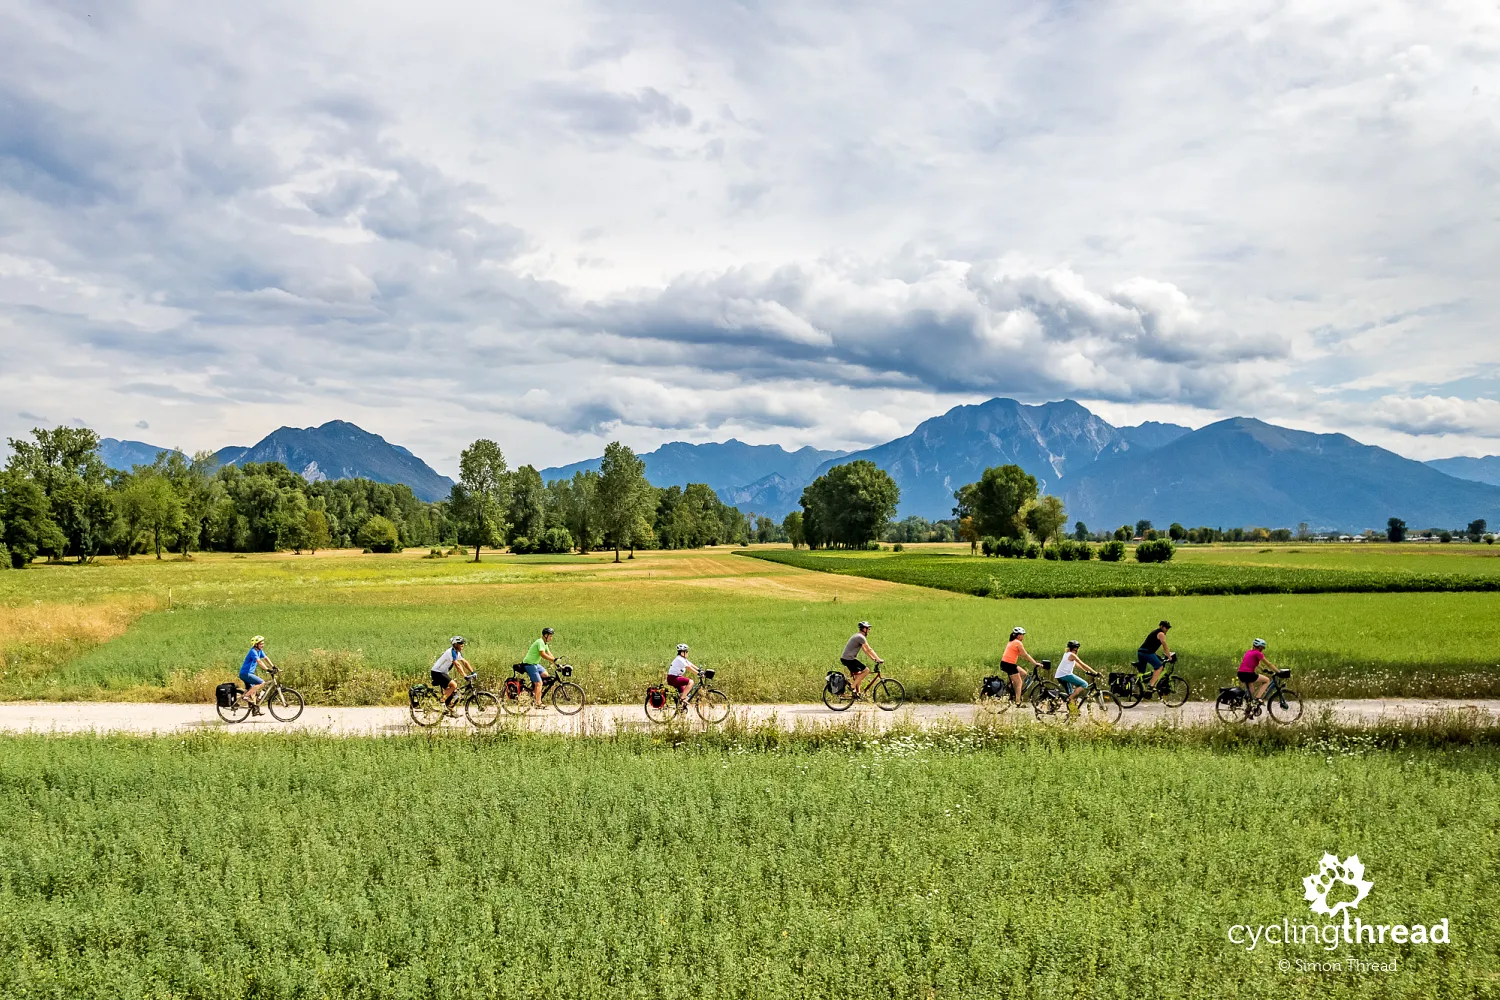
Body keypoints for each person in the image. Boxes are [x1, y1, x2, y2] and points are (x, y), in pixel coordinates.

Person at [431, 636, 475, 716]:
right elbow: (457, 665)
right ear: (455, 644)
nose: (462, 645)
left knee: (454, 693)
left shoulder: (457, 652)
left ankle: (451, 709)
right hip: (437, 672)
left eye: (463, 643)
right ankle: (442, 701)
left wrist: (473, 672)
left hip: (442, 673)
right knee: (454, 685)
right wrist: (465, 676)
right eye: (460, 643)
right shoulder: (451, 652)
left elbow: (464, 662)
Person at [1054, 639, 1101, 709]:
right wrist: (1095, 672)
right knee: (1084, 684)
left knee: (1072, 693)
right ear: (1076, 648)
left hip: (1061, 676)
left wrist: (1085, 671)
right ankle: (1068, 700)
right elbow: (1082, 664)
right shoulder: (1073, 655)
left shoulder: (1066, 654)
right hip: (1065, 676)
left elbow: (1076, 664)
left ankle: (1073, 712)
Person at [840, 621, 883, 697]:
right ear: (864, 629)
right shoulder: (860, 637)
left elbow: (865, 650)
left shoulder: (858, 636)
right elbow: (869, 649)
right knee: (866, 670)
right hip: (849, 659)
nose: (869, 630)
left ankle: (857, 693)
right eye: (868, 629)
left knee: (858, 674)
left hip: (847, 658)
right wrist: (878, 659)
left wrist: (874, 659)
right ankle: (852, 686)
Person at [520, 627, 557, 709]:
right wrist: (552, 660)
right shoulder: (540, 642)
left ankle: (534, 691)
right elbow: (543, 654)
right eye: (550, 636)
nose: (551, 638)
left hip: (535, 664)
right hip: (529, 664)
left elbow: (549, 653)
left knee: (545, 675)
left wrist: (556, 662)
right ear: (545, 635)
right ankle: (538, 703)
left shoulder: (545, 643)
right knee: (539, 683)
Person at [1002, 627, 1041, 703]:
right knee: (1019, 682)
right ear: (1019, 635)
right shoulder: (1018, 643)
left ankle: (1011, 688)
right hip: (1008, 664)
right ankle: (1017, 702)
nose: (1023, 636)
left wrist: (1028, 659)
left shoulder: (1012, 641)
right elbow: (1025, 654)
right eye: (1023, 635)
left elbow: (1021, 654)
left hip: (1007, 664)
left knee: (1024, 674)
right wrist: (1035, 663)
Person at [240, 636, 273, 715]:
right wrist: (267, 669)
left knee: (254, 692)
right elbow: (259, 661)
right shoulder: (253, 652)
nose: (263, 645)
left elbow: (265, 658)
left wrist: (273, 666)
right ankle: (245, 696)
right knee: (261, 682)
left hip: (249, 674)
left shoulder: (259, 651)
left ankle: (255, 710)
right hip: (245, 674)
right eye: (261, 644)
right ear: (256, 645)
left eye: (263, 643)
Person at [1139, 620, 1174, 692]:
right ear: (1161, 626)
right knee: (1159, 667)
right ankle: (1151, 685)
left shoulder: (1155, 632)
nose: (1167, 629)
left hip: (1141, 652)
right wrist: (1169, 656)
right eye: (1166, 627)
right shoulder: (1161, 633)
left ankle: (1141, 690)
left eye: (1168, 628)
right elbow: (1165, 646)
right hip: (1147, 653)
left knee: (1142, 674)